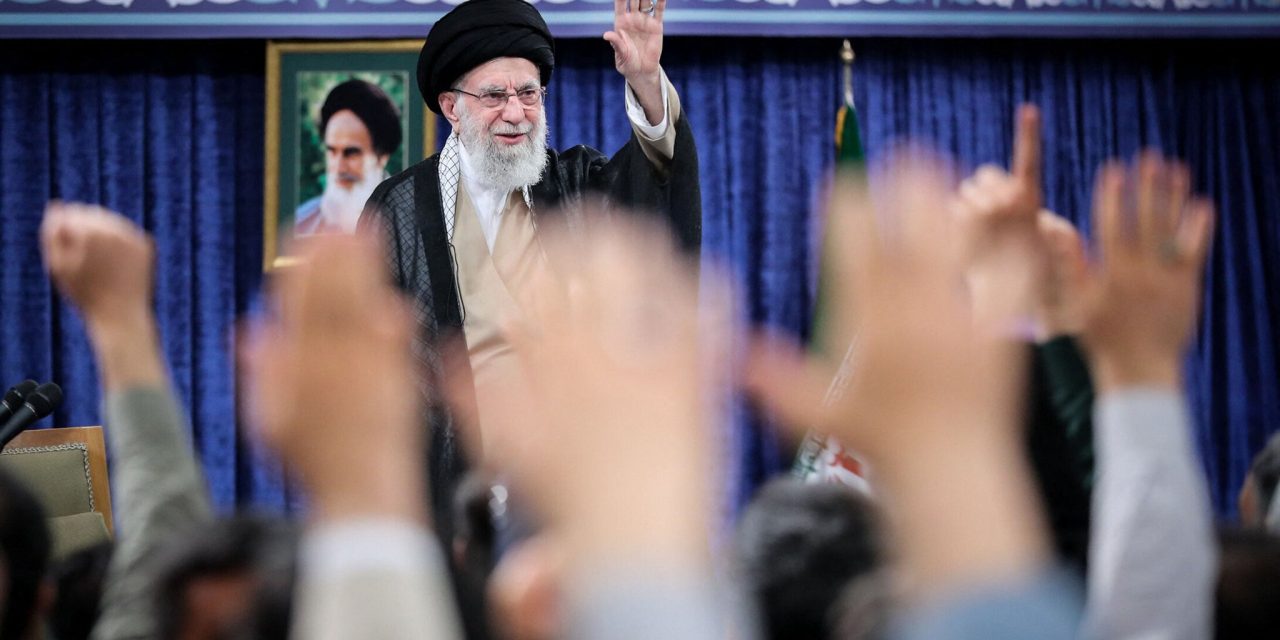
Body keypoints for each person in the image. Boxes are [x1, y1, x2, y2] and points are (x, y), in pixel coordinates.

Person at [358, 0, 700, 537]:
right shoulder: (398, 208)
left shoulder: (577, 185)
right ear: (451, 107)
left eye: (528, 93)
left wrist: (645, 83)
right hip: (450, 497)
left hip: (566, 495)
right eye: (495, 96)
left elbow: (651, 207)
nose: (516, 113)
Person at [296, 79, 403, 235]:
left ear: (382, 156)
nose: (339, 167)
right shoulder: (302, 222)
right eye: (332, 151)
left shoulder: (407, 221)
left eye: (351, 153)